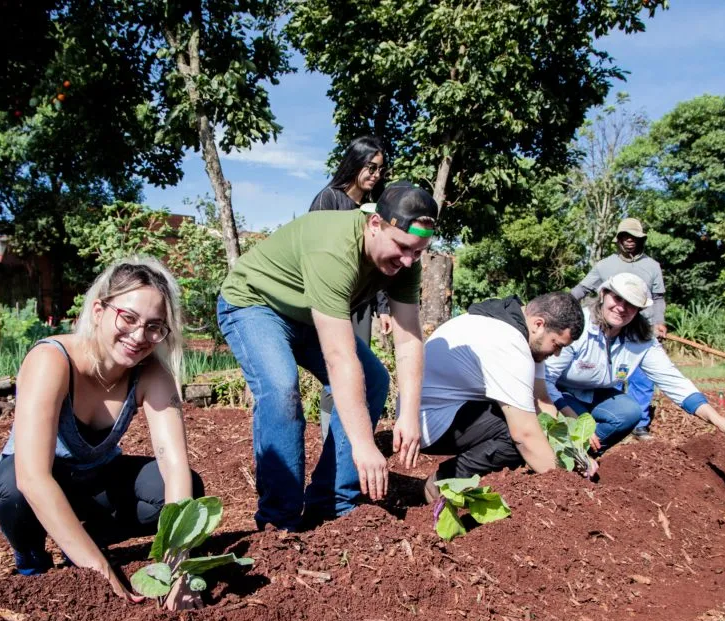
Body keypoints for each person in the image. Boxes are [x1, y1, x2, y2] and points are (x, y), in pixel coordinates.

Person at [0, 256, 204, 606]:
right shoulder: (51, 360)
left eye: (154, 326)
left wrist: (178, 570)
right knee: (11, 487)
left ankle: (82, 543)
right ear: (99, 310)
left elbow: (174, 467)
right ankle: (32, 561)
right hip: (36, 485)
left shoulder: (151, 374)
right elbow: (33, 477)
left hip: (95, 484)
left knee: (178, 487)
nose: (138, 336)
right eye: (128, 318)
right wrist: (102, 572)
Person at [218, 181, 438, 531]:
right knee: (280, 389)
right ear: (376, 224)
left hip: (307, 314)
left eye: (419, 251)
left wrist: (409, 414)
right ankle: (280, 521)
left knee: (375, 380)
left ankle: (333, 502)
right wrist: (365, 446)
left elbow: (409, 338)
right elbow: (339, 357)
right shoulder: (335, 248)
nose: (409, 259)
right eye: (402, 247)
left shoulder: (405, 260)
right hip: (255, 303)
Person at [411, 293, 590, 502]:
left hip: (449, 411)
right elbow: (524, 435)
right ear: (539, 324)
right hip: (424, 423)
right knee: (518, 437)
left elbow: (541, 399)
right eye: (557, 344)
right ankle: (441, 485)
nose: (557, 353)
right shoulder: (509, 343)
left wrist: (573, 453)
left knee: (532, 427)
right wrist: (565, 486)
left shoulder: (521, 330)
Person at [548, 273, 725, 453]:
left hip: (593, 393)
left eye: (631, 304)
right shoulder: (580, 326)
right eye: (617, 298)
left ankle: (582, 459)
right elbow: (545, 381)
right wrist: (576, 419)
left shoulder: (641, 339)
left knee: (628, 411)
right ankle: (551, 452)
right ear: (603, 295)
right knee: (580, 421)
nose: (621, 308)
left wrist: (718, 420)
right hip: (556, 392)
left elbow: (673, 381)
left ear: (639, 309)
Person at [309, 136, 393, 439]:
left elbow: (381, 259)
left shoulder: (375, 210)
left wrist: (383, 308)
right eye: (370, 167)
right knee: (337, 370)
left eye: (380, 169)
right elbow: (315, 252)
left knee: (359, 373)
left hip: (361, 304)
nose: (375, 174)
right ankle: (332, 439)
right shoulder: (328, 199)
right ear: (354, 163)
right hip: (331, 302)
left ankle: (352, 441)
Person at [571, 217, 667, 440]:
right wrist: (561, 304)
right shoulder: (605, 265)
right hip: (609, 328)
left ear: (641, 240)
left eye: (634, 237)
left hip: (640, 329)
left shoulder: (652, 267)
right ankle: (593, 416)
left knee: (642, 377)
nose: (629, 241)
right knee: (604, 374)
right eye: (625, 236)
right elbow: (583, 288)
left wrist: (659, 321)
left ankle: (640, 424)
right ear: (619, 240)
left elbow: (659, 297)